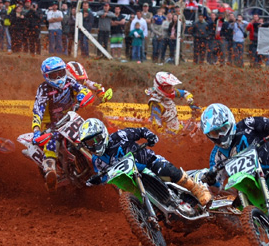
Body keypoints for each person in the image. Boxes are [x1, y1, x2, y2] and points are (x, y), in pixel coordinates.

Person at [78, 118, 211, 205]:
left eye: (97, 139)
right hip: (130, 181)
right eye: (90, 142)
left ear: (104, 133)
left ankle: (196, 188)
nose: (95, 144)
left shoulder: (119, 136)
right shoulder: (97, 160)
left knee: (164, 170)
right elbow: (105, 176)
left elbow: (141, 131)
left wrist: (150, 136)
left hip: (148, 163)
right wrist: (97, 180)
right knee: (126, 196)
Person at [31, 57, 93, 191]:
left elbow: (83, 89)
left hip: (72, 117)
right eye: (54, 75)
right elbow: (38, 109)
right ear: (47, 76)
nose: (59, 77)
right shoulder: (44, 89)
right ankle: (50, 170)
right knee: (53, 140)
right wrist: (36, 130)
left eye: (61, 73)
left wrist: (83, 95)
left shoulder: (69, 82)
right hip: (54, 124)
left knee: (90, 129)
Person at [145, 72, 195, 136]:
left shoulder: (169, 92)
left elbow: (185, 93)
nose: (172, 90)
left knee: (194, 126)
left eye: (172, 86)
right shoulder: (156, 104)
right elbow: (157, 127)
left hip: (176, 128)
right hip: (168, 135)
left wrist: (190, 101)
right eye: (169, 87)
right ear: (160, 88)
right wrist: (173, 134)